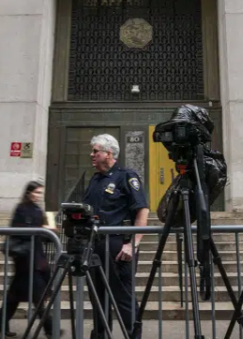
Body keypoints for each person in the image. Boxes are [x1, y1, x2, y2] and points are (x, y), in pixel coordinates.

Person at [82, 134, 149, 339]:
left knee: (123, 298)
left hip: (118, 247)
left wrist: (133, 245)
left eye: (96, 151)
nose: (91, 155)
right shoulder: (95, 179)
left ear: (109, 154)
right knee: (98, 298)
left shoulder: (126, 176)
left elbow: (142, 210)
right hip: (95, 246)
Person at [0, 181, 57, 338]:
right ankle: (50, 329)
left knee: (14, 297)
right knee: (37, 297)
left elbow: (42, 236)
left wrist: (51, 232)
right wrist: (42, 230)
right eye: (35, 192)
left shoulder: (37, 210)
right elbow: (19, 231)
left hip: (35, 258)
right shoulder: (22, 209)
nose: (37, 196)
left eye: (40, 193)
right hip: (26, 260)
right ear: (28, 192)